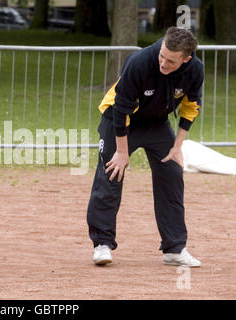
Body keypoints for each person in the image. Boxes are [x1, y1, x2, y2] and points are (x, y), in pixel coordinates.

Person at [87, 27, 203, 267]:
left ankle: (174, 249)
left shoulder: (195, 69)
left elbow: (191, 107)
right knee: (111, 175)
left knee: (171, 175)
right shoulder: (139, 62)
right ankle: (102, 244)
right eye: (162, 55)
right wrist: (121, 152)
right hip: (118, 119)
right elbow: (120, 109)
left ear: (186, 59)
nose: (163, 62)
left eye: (171, 60)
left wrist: (177, 146)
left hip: (156, 123)